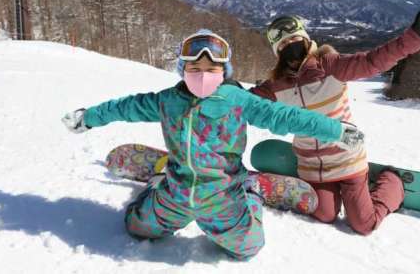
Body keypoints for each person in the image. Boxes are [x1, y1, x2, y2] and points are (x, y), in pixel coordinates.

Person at [61, 29, 364, 260]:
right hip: (175, 193)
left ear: (224, 72)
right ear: (183, 70)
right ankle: (158, 179)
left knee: (248, 248)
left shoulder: (237, 100)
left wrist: (335, 129)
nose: (203, 75)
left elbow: (287, 116)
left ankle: (251, 189)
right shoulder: (168, 101)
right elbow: (127, 107)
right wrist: (89, 117)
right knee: (135, 227)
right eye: (194, 69)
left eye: (211, 69)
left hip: (223, 196)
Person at [250, 12, 420, 235]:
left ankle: (392, 182)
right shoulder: (276, 86)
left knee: (363, 225)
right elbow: (246, 101)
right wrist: (221, 86)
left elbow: (372, 61)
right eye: (283, 43)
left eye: (294, 38)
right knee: (324, 215)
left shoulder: (329, 66)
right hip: (312, 166)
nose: (291, 45)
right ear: (278, 52)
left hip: (346, 158)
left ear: (305, 39)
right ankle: (347, 195)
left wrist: (414, 37)